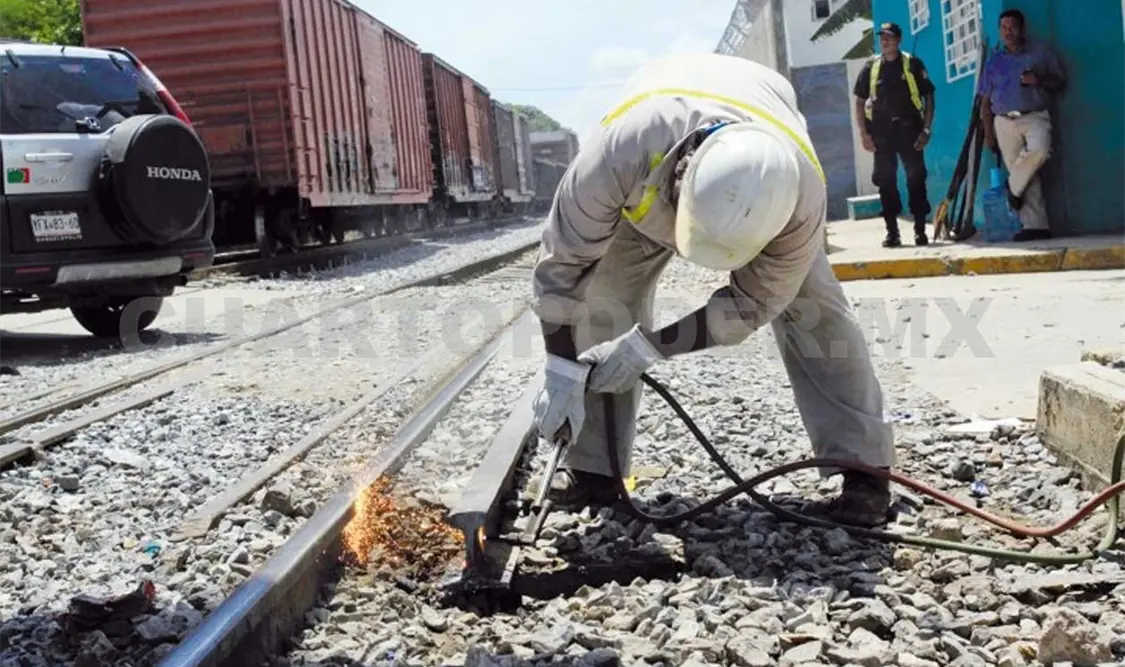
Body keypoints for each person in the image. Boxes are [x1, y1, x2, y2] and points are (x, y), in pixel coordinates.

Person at [528, 52, 897, 528]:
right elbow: (561, 269)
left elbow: (750, 306)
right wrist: (560, 366)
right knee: (605, 294)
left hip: (759, 121)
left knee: (816, 310)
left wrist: (648, 348)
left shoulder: (799, 201)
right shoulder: (619, 151)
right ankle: (594, 469)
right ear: (682, 176)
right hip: (643, 181)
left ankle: (864, 468)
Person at [979, 9, 1066, 242]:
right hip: (1003, 120)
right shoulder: (994, 62)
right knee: (1028, 173)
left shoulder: (1040, 53)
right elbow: (985, 103)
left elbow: (1060, 81)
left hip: (1035, 115)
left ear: (1022, 29)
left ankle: (1012, 188)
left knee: (1038, 151)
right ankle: (1035, 226)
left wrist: (1039, 80)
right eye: (1004, 28)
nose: (1008, 32)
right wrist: (989, 134)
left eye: (1013, 27)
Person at [853, 22, 936, 248]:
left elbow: (929, 97)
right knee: (885, 181)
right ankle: (892, 233)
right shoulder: (871, 68)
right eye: (882, 37)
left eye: (889, 37)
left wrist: (926, 129)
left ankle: (920, 231)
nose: (884, 41)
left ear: (899, 40)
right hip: (881, 134)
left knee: (916, 178)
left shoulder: (912, 65)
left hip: (910, 131)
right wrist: (863, 133)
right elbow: (859, 102)